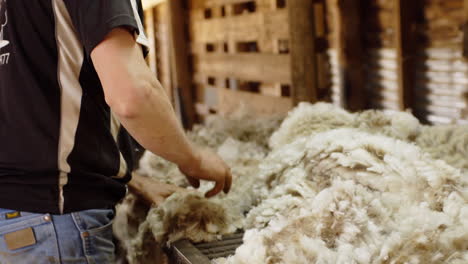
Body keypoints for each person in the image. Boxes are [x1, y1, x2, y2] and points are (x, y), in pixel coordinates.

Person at [0, 0, 232, 263]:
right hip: (54, 225)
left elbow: (25, 115)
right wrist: (193, 159)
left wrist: (131, 179)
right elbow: (133, 97)